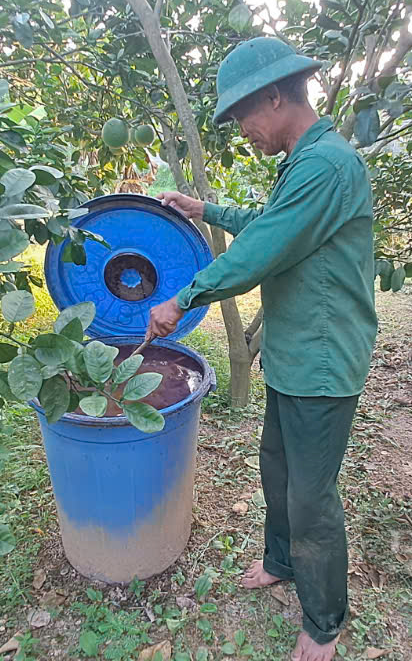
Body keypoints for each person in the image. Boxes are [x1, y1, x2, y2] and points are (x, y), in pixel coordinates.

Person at [144, 37, 377, 661]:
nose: (242, 131)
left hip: (323, 360)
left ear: (275, 96)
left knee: (311, 494)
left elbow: (261, 251)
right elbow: (271, 222)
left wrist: (182, 299)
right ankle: (280, 560)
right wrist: (206, 208)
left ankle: (324, 621)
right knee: (276, 467)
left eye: (242, 117)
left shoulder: (327, 164)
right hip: (297, 352)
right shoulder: (303, 162)